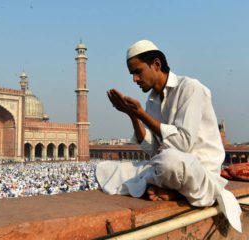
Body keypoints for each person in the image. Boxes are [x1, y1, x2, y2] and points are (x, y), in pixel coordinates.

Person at [96, 40, 242, 232]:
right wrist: (133, 116)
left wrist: (141, 114)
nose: (135, 79)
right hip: (168, 164)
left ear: (156, 64)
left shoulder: (190, 88)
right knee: (106, 169)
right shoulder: (152, 102)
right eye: (132, 74)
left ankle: (175, 192)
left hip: (196, 169)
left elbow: (182, 143)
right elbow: (154, 149)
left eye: (138, 71)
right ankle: (171, 189)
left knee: (169, 161)